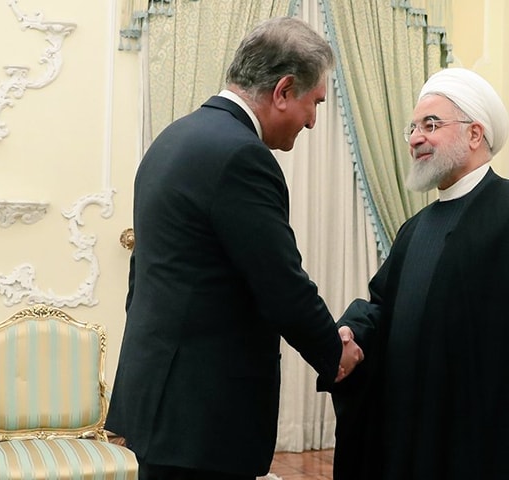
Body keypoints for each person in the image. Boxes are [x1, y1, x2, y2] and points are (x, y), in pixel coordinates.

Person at [106, 16, 363, 480]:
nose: (312, 120)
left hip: (161, 399)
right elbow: (280, 283)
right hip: (204, 414)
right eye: (314, 103)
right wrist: (333, 351)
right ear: (284, 90)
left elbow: (142, 273)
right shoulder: (242, 156)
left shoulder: (172, 138)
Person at [327, 68, 509, 479]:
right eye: (412, 127)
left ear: (474, 134)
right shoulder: (414, 229)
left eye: (431, 125)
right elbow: (384, 307)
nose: (415, 138)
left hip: (484, 447)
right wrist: (352, 332)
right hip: (411, 438)